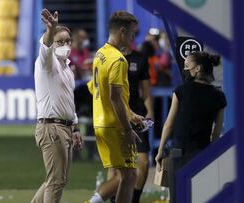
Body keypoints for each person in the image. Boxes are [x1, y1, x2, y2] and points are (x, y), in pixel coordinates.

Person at [155, 51, 227, 203]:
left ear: (198, 69)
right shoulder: (219, 96)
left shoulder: (181, 90)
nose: (185, 69)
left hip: (179, 153)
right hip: (203, 153)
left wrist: (160, 151)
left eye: (187, 66)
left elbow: (169, 124)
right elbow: (216, 133)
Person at [86, 11, 142, 203]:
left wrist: (131, 114)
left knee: (122, 175)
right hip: (114, 125)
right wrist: (127, 129)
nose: (134, 38)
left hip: (100, 122)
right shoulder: (118, 60)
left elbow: (94, 89)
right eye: (133, 33)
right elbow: (115, 97)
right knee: (129, 176)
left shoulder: (100, 54)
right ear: (122, 31)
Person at [31, 8, 83, 203]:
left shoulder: (67, 68)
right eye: (60, 41)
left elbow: (69, 100)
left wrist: (75, 127)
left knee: (57, 180)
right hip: (51, 127)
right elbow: (44, 46)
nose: (65, 45)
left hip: (64, 127)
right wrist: (51, 29)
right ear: (52, 42)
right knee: (56, 181)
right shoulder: (46, 62)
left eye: (68, 41)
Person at [108, 35, 154, 203]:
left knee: (143, 162)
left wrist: (150, 111)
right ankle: (114, 199)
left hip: (138, 117)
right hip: (116, 116)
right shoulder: (108, 57)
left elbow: (146, 91)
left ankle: (134, 199)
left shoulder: (140, 59)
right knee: (115, 165)